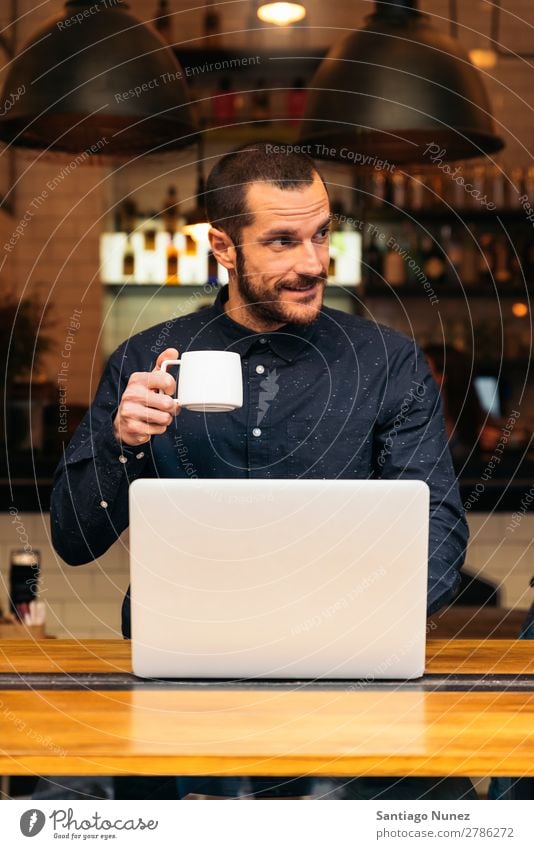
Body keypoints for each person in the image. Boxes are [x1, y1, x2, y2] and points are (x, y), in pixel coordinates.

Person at [50, 143, 474, 800]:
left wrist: (348, 634)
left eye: (321, 234)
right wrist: (122, 442)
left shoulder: (387, 363)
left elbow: (438, 530)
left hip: (346, 698)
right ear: (224, 246)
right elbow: (75, 540)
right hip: (177, 702)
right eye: (282, 241)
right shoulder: (147, 359)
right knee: (62, 798)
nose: (313, 263)